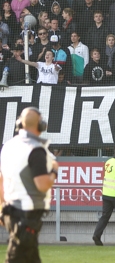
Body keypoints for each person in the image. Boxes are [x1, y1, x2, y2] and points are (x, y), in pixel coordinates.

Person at [0, 107, 57, 263]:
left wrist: (1, 209)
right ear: (40, 125)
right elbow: (43, 185)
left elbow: (1, 180)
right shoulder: (36, 150)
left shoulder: (8, 146)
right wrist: (54, 172)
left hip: (10, 212)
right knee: (14, 258)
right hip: (27, 215)